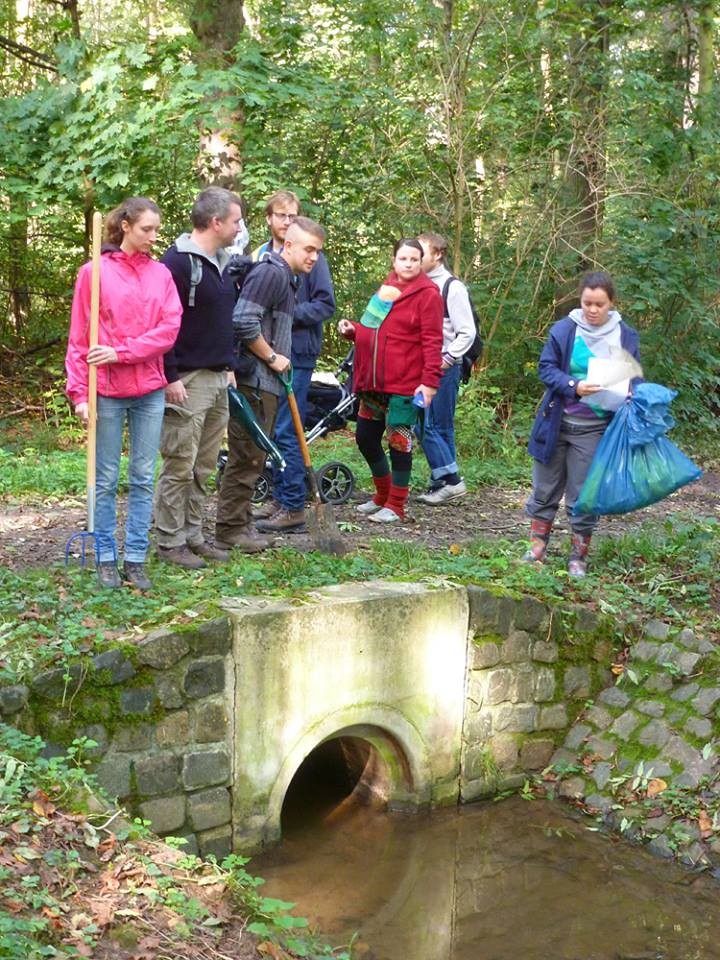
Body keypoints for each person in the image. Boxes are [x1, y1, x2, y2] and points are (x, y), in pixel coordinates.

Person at [65, 196, 182, 590]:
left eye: (156, 230)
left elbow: (168, 331)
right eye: (147, 229)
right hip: (107, 391)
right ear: (126, 226)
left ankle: (134, 558)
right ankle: (104, 556)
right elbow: (79, 339)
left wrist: (121, 351)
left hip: (149, 388)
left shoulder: (161, 275)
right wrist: (80, 392)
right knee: (106, 478)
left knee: (144, 475)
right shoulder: (93, 273)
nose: (153, 236)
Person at [214, 217, 326, 552]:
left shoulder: (286, 278)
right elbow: (243, 320)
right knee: (246, 457)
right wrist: (272, 356)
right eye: (308, 249)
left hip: (268, 384)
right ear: (288, 245)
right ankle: (230, 531)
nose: (314, 257)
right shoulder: (270, 273)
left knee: (254, 457)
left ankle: (242, 523)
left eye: (318, 251)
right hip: (254, 381)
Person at [525, 271, 640, 577]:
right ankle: (537, 547)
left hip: (595, 428)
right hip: (556, 424)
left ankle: (579, 555)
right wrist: (573, 385)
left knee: (582, 495)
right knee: (544, 489)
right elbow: (546, 369)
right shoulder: (564, 330)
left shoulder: (624, 336)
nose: (592, 309)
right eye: (587, 302)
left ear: (611, 304)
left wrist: (629, 394)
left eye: (599, 304)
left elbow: (635, 379)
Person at [153, 187, 244, 569]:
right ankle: (169, 541)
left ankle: (193, 535)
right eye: (236, 221)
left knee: (204, 465)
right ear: (216, 221)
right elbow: (160, 322)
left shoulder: (223, 262)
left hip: (218, 378)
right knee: (179, 463)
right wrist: (170, 374)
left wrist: (229, 366)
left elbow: (220, 321)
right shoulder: (175, 263)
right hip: (186, 380)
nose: (240, 228)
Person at [338, 238, 443, 523]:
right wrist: (353, 331)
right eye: (403, 259)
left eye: (414, 259)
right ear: (394, 261)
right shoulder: (386, 290)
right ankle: (382, 495)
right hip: (373, 383)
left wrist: (430, 382)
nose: (408, 264)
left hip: (405, 384)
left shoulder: (428, 294)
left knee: (399, 442)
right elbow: (374, 331)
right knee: (365, 438)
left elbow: (433, 341)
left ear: (421, 262)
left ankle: (396, 505)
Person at [250, 190, 336, 534]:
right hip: (263, 353)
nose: (287, 222)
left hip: (297, 352)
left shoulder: (312, 259)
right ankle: (282, 495)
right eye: (282, 216)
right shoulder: (259, 256)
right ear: (269, 219)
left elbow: (324, 305)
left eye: (293, 216)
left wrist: (284, 316)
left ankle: (292, 504)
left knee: (289, 427)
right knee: (269, 428)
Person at [415, 232, 475, 505]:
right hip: (422, 364)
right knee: (438, 426)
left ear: (437, 255)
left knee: (429, 427)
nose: (415, 258)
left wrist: (446, 359)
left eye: (421, 253)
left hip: (443, 366)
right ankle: (443, 480)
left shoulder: (453, 287)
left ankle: (450, 481)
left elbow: (467, 332)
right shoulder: (417, 284)